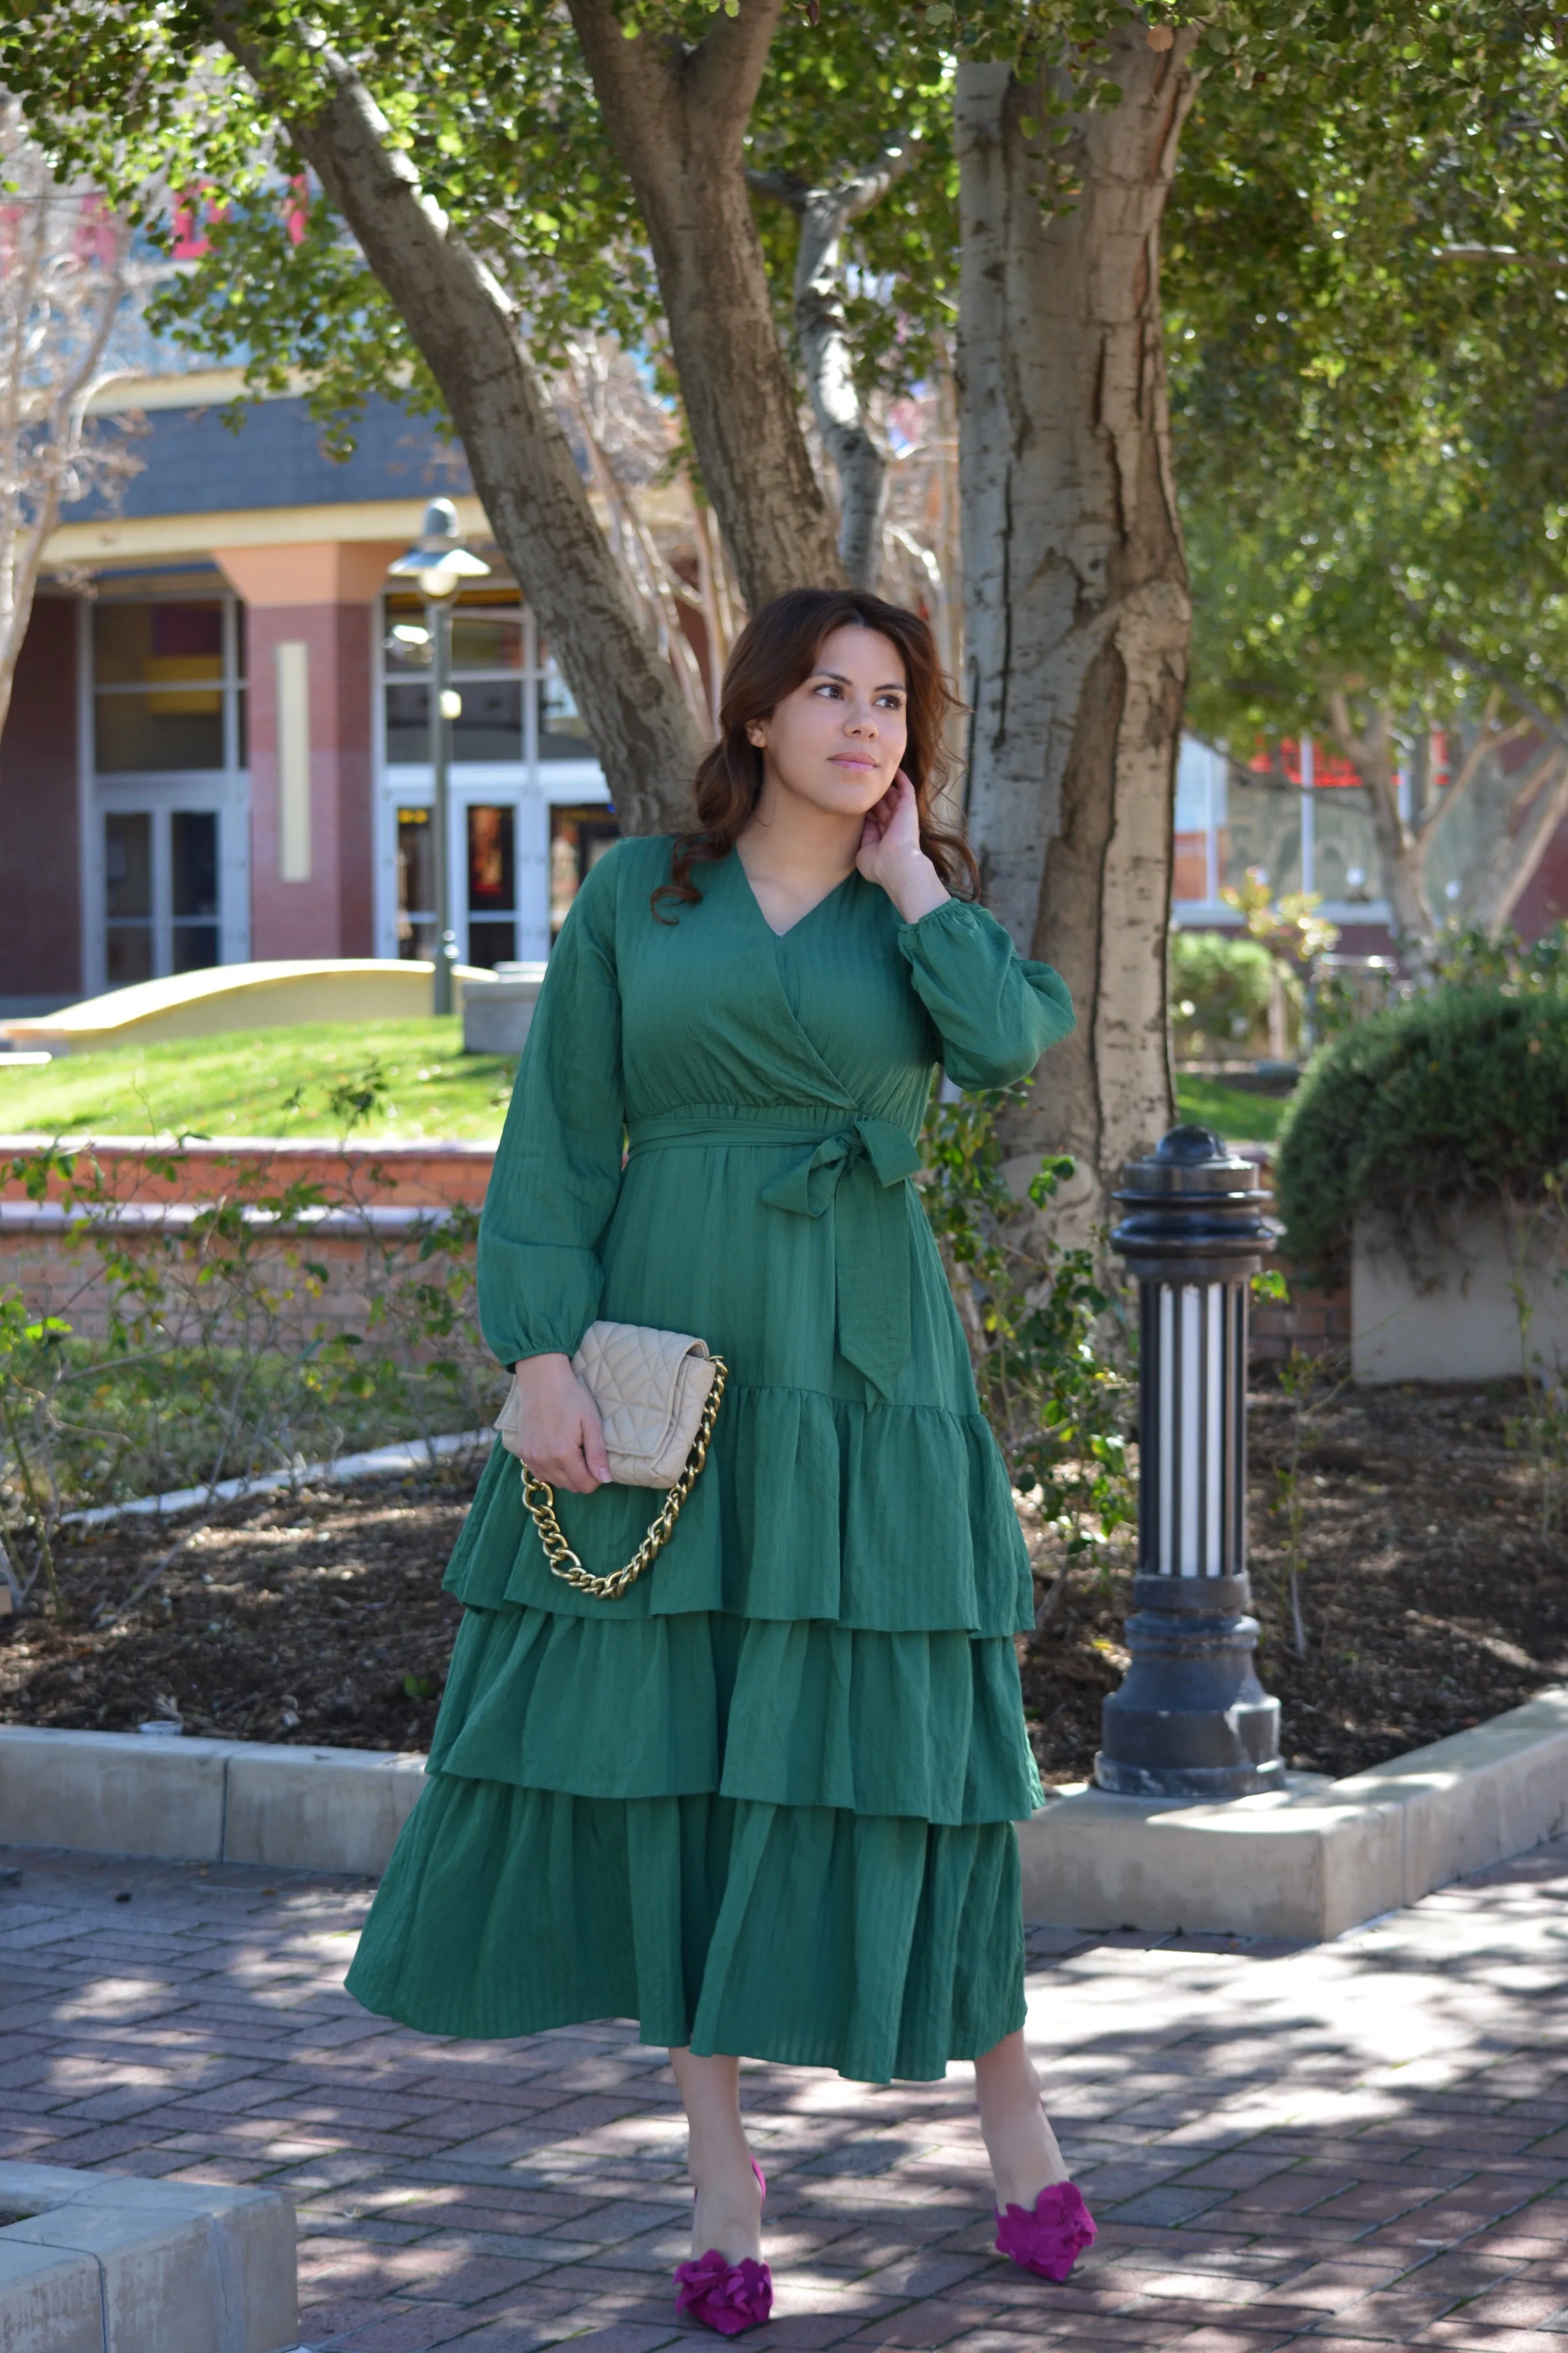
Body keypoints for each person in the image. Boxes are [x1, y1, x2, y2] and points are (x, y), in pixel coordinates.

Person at [346, 587, 1094, 2334]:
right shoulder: (638, 896)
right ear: (756, 715)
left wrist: (915, 883)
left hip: (863, 1367)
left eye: (891, 701)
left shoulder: (927, 918)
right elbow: (557, 1141)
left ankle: (1014, 2114)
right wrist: (534, 1351)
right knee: (679, 1751)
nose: (860, 723)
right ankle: (716, 2162)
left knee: (912, 1746)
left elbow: (1009, 1046)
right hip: (669, 1360)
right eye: (826, 691)